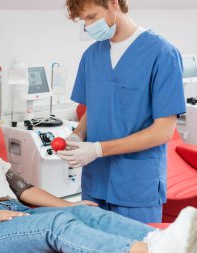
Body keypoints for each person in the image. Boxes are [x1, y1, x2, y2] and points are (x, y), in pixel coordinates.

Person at [0, 104, 197, 253]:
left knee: (88, 214)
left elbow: (26, 190)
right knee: (57, 223)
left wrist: (70, 205)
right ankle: (140, 251)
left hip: (19, 214)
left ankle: (169, 241)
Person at [57, 0, 186, 223]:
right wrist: (77, 135)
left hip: (136, 184)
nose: (88, 27)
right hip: (95, 183)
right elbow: (95, 108)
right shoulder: (91, 56)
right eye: (83, 21)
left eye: (91, 17)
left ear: (113, 3)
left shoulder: (162, 54)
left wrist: (97, 149)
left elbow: (162, 131)